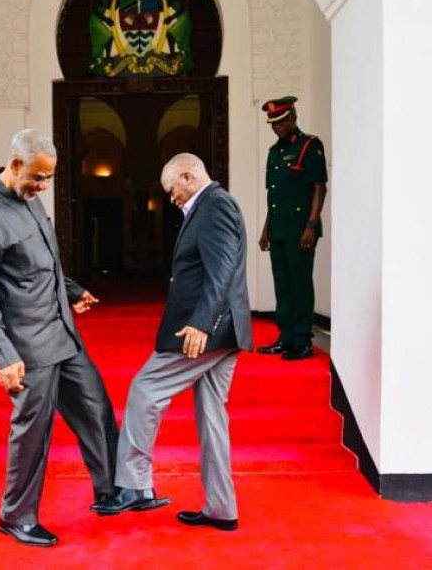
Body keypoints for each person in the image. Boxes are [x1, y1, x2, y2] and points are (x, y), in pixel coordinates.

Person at [0, 129, 119, 548]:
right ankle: (16, 516)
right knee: (33, 432)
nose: (44, 186)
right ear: (15, 165)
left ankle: (113, 491)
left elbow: (43, 263)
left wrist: (73, 291)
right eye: (38, 177)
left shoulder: (30, 197)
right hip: (27, 347)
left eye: (49, 178)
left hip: (63, 330)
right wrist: (3, 354)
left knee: (96, 407)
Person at [93, 154, 252, 532]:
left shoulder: (215, 205)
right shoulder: (209, 206)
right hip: (222, 330)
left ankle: (134, 485)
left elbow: (222, 271)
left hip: (204, 331)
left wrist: (201, 324)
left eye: (171, 190)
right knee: (212, 418)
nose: (171, 197)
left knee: (145, 388)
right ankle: (222, 508)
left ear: (188, 175)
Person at [257, 96, 328, 361]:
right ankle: (286, 338)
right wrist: (267, 229)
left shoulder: (310, 146)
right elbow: (275, 197)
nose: (277, 126)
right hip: (278, 229)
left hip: (300, 230)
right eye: (273, 123)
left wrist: (311, 225)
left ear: (293, 117)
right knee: (282, 286)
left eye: (282, 121)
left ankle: (302, 341)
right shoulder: (274, 152)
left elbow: (319, 188)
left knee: (300, 285)